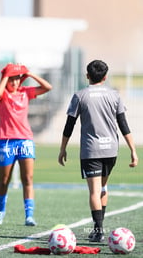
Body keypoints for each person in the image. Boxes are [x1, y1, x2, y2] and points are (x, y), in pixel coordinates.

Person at [58, 60, 138, 242]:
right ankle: (99, 229)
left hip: (91, 150)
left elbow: (69, 125)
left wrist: (62, 149)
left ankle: (99, 231)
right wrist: (133, 150)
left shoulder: (79, 96)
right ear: (105, 76)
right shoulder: (115, 95)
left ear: (87, 75)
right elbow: (123, 124)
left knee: (94, 191)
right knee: (103, 187)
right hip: (111, 150)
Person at [0, 63, 52, 226]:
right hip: (6, 141)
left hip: (25, 140)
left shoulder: (26, 92)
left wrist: (30, 74)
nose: (15, 82)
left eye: (18, 79)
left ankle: (29, 215)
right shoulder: (2, 93)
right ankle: (0, 211)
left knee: (28, 178)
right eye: (12, 79)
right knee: (4, 179)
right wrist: (6, 74)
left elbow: (48, 87)